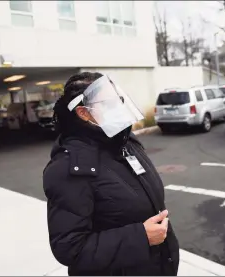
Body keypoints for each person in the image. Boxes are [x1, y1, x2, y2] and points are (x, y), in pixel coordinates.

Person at [43, 72, 179, 276]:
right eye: (108, 103)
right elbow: (70, 247)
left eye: (118, 100)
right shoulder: (69, 167)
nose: (118, 107)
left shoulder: (124, 141)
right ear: (83, 113)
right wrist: (141, 237)